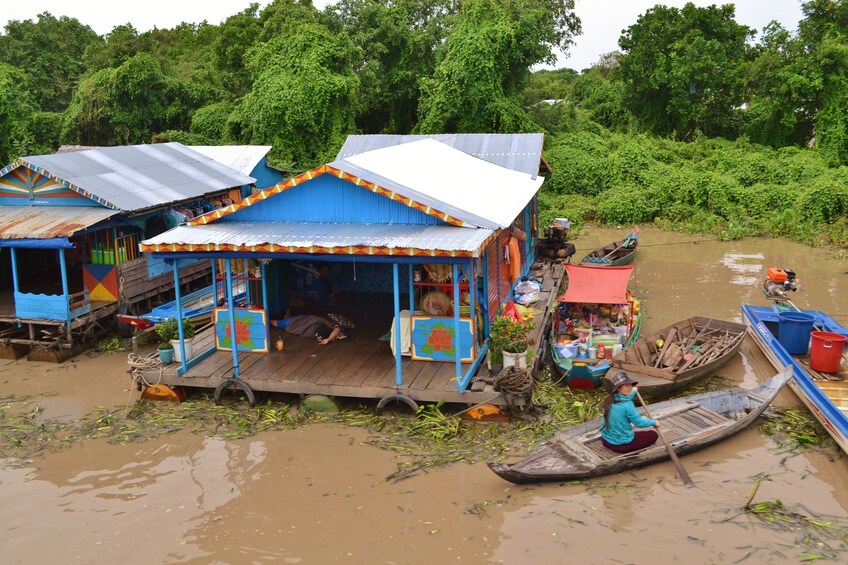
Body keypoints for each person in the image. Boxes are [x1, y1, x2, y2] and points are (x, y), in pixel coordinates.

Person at [600, 371, 659, 454]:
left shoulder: (610, 399)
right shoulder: (627, 405)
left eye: (631, 384)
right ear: (618, 388)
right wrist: (654, 422)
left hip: (605, 440)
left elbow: (624, 397)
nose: (630, 387)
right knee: (653, 434)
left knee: (637, 433)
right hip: (621, 445)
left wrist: (633, 392)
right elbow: (639, 423)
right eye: (626, 385)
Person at [273, 311, 353, 345]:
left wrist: (328, 339)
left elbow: (336, 330)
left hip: (298, 323)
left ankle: (285, 316)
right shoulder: (325, 322)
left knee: (279, 323)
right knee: (281, 322)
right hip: (302, 320)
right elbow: (311, 319)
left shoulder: (334, 328)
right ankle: (286, 315)